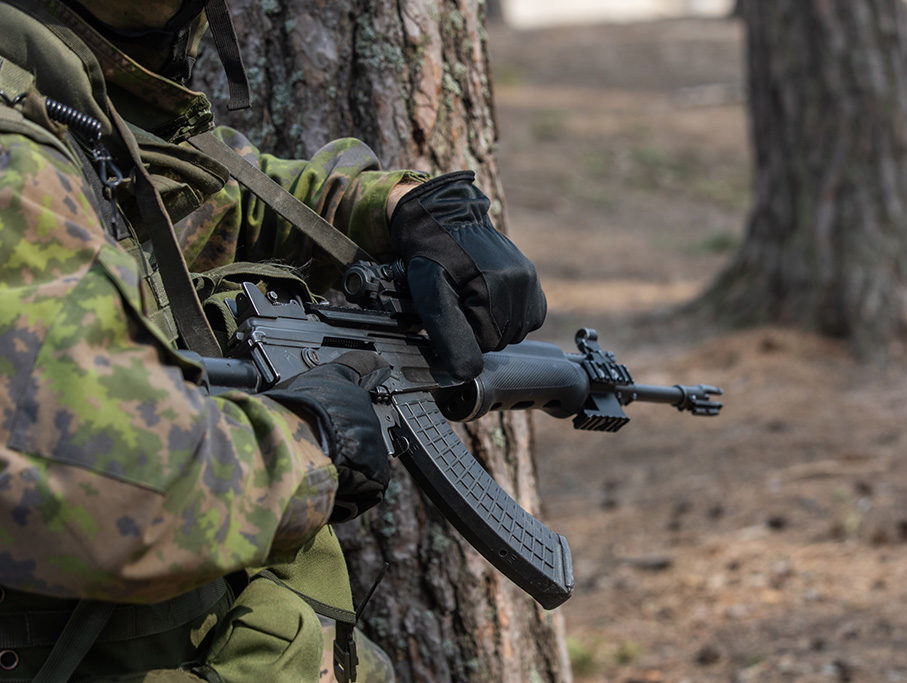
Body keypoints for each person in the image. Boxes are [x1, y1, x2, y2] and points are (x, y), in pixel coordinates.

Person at [0, 0, 546, 680]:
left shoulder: (48, 92)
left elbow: (187, 199)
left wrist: (394, 205)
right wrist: (307, 441)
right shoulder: (13, 154)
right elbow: (108, 493)